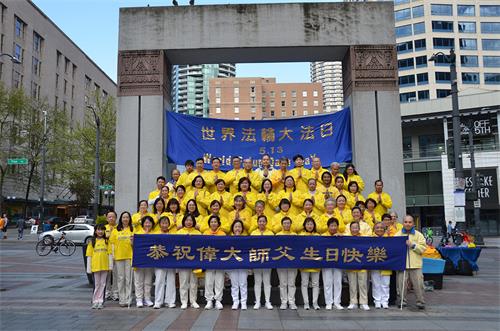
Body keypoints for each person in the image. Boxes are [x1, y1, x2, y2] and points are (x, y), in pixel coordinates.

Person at [396, 215, 426, 310]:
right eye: (405, 222)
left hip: (415, 264)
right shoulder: (398, 234)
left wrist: (413, 245)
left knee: (419, 285)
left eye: (410, 222)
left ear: (413, 223)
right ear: (402, 223)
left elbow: (423, 248)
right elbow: (393, 248)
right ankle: (402, 301)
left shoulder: (418, 235)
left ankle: (420, 302)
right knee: (401, 285)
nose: (407, 224)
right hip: (402, 264)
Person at [177, 214, 202, 309]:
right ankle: (184, 301)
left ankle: (193, 301)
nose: (189, 222)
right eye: (187, 220)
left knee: (193, 281)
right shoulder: (179, 232)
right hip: (183, 260)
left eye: (191, 220)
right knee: (183, 281)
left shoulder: (198, 233)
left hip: (194, 260)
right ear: (183, 221)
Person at [110, 211, 134, 307]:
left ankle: (128, 298)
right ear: (121, 219)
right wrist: (113, 256)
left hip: (129, 257)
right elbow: (112, 243)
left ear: (129, 219)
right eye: (123, 217)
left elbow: (135, 244)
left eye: (127, 217)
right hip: (119, 257)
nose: (125, 219)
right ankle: (122, 299)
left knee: (129, 278)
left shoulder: (133, 229)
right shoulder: (116, 230)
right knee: (120, 279)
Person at [86, 224, 112, 309]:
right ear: (95, 231)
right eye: (98, 230)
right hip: (95, 267)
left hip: (104, 266)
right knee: (96, 284)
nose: (100, 232)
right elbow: (89, 255)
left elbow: (110, 254)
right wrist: (89, 268)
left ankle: (100, 301)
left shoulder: (107, 241)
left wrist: (110, 266)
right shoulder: (92, 242)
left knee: (103, 284)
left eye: (102, 230)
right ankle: (95, 301)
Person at [251, 215, 274, 310]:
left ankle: (267, 301)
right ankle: (258, 301)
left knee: (267, 282)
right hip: (257, 260)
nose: (261, 223)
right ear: (257, 222)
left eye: (263, 221)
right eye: (260, 221)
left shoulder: (271, 233)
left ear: (266, 222)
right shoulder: (253, 233)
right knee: (257, 282)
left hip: (267, 261)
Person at [153, 216, 176, 309]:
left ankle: (170, 301)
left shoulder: (173, 234)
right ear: (159, 224)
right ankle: (158, 301)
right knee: (159, 280)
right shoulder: (155, 234)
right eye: (162, 223)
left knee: (171, 280)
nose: (164, 225)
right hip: (159, 260)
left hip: (171, 260)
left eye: (166, 223)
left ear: (169, 225)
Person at [203, 215, 226, 310]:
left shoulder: (223, 234)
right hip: (209, 259)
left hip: (219, 260)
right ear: (209, 224)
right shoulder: (205, 233)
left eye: (215, 222)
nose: (213, 223)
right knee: (209, 280)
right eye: (211, 222)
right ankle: (209, 300)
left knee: (219, 280)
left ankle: (218, 300)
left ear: (218, 223)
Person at [346, 221, 370, 311]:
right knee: (352, 284)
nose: (355, 229)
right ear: (350, 229)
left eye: (356, 227)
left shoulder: (364, 238)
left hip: (362, 264)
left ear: (359, 229)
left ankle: (364, 302)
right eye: (353, 227)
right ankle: (353, 302)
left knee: (363, 284)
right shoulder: (347, 238)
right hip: (351, 264)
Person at [276, 216, 298, 310]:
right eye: (285, 223)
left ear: (291, 224)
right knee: (283, 283)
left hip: (292, 262)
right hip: (281, 262)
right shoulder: (277, 235)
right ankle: (284, 302)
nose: (286, 225)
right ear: (282, 225)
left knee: (292, 283)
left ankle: (292, 301)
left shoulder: (295, 235)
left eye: (288, 223)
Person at [299, 217, 321, 310]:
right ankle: (306, 303)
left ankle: (315, 303)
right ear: (304, 225)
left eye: (311, 224)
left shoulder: (318, 236)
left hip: (316, 263)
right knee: (304, 284)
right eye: (308, 224)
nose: (309, 226)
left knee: (315, 284)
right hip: (304, 263)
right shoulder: (300, 235)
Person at [322, 217, 344, 310]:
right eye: (331, 226)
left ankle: (337, 302)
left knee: (338, 282)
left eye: (335, 225)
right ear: (328, 227)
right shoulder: (323, 236)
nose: (333, 227)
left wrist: (340, 238)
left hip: (338, 262)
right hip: (326, 262)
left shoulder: (341, 236)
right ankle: (328, 302)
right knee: (327, 282)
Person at [133, 216, 155, 307]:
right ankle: (139, 299)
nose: (147, 224)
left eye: (149, 223)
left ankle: (147, 298)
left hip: (150, 260)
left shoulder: (155, 234)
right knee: (138, 281)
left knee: (148, 281)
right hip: (139, 260)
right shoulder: (137, 234)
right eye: (146, 223)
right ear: (142, 224)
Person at [228, 220, 248, 310]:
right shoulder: (228, 239)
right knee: (234, 284)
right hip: (232, 265)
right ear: (232, 228)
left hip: (243, 265)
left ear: (242, 229)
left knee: (243, 284)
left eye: (239, 227)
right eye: (235, 227)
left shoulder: (246, 239)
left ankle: (243, 302)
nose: (237, 228)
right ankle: (235, 301)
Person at [371, 222, 391, 309]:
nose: (379, 229)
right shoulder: (370, 239)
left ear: (384, 229)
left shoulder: (389, 239)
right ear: (374, 229)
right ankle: (377, 301)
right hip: (374, 264)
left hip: (386, 265)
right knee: (376, 284)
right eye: (377, 228)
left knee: (386, 284)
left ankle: (385, 301)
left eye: (381, 228)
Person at [104, 211, 119, 301]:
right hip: (107, 253)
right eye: (109, 217)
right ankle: (107, 292)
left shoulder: (119, 228)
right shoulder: (104, 228)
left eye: (113, 217)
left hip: (117, 253)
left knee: (116, 274)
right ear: (107, 218)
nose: (111, 218)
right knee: (107, 274)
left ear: (116, 218)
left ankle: (115, 292)